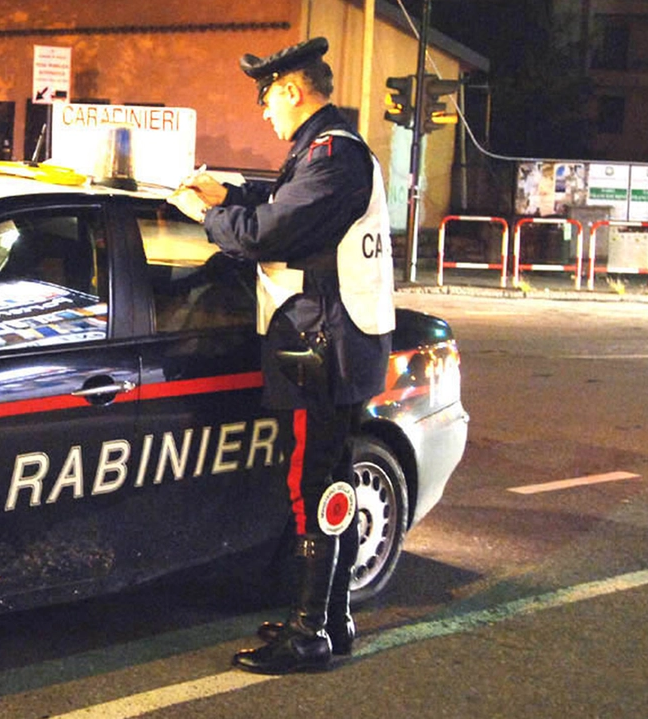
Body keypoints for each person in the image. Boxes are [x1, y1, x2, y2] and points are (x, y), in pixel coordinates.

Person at [168, 36, 394, 674]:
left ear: (293, 90)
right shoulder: (326, 153)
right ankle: (331, 615)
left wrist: (205, 215)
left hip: (322, 345)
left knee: (313, 484)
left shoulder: (334, 158)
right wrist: (230, 194)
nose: (264, 113)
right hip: (335, 340)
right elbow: (280, 204)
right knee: (332, 479)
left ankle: (309, 632)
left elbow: (268, 233)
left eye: (267, 99)